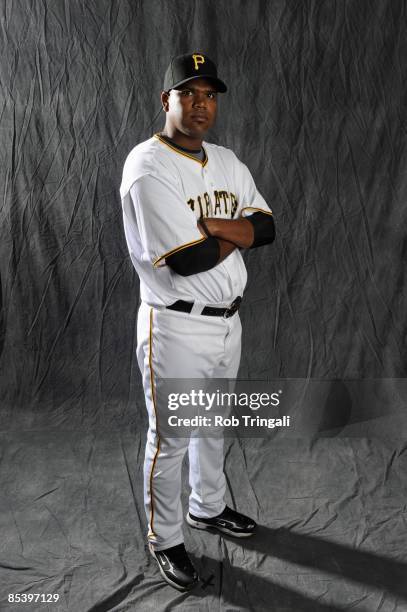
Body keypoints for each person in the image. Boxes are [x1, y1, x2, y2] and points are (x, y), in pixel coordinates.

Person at [120, 52, 275, 592]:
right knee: (172, 438)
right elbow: (184, 259)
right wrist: (234, 231)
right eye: (189, 94)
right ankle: (166, 540)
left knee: (212, 426)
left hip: (228, 321)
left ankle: (207, 507)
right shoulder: (147, 165)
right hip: (176, 325)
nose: (201, 104)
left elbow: (267, 228)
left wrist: (211, 225)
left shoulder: (228, 161)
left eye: (209, 95)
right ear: (168, 100)